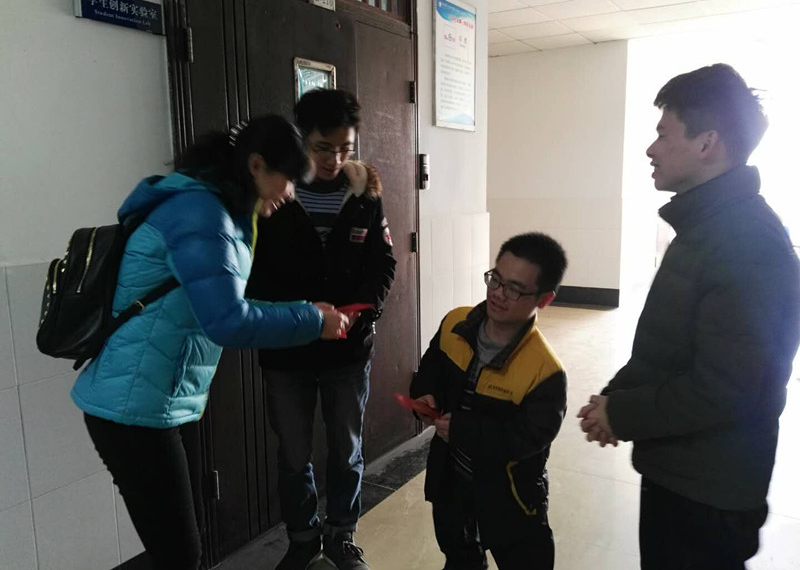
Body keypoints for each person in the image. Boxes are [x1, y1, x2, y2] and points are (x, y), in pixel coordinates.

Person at [70, 115, 349, 570]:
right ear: (256, 165)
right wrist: (312, 321)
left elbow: (225, 303)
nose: (290, 193)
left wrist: (306, 311)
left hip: (151, 402)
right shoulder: (201, 212)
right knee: (181, 555)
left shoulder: (214, 207)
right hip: (132, 409)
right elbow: (227, 322)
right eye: (288, 180)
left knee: (177, 550)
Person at [578, 64, 800, 569]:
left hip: (709, 492)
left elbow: (727, 388)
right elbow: (670, 346)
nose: (650, 148)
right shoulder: (707, 228)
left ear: (707, 143)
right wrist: (615, 398)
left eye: (663, 133)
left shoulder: (748, 244)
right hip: (682, 473)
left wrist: (624, 414)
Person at [246, 89, 395, 570]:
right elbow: (251, 271)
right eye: (322, 148)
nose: (335, 159)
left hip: (347, 350)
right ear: (301, 140)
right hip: (286, 350)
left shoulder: (365, 194)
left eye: (345, 148)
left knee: (346, 449)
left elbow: (383, 263)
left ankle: (341, 536)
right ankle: (303, 538)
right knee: (293, 453)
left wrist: (364, 312)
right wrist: (298, 315)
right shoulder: (273, 193)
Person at [410, 232, 568, 570]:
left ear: (544, 299)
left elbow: (525, 440)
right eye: (495, 279)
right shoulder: (455, 323)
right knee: (459, 558)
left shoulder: (545, 372)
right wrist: (424, 392)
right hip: (450, 482)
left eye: (514, 289)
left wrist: (462, 430)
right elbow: (431, 366)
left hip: (510, 497)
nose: (498, 294)